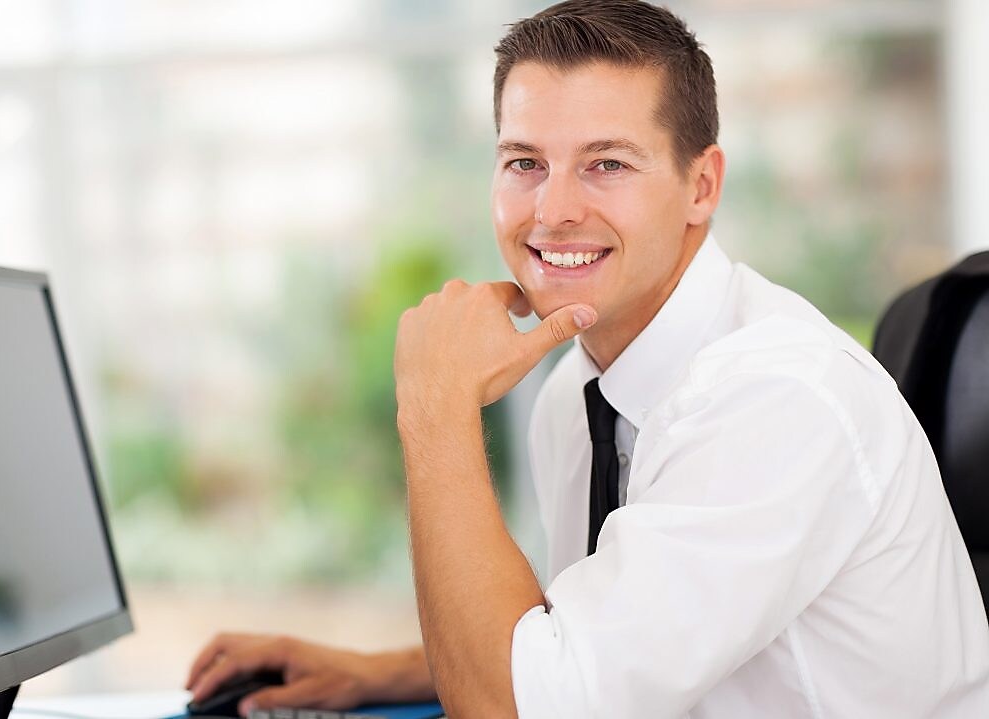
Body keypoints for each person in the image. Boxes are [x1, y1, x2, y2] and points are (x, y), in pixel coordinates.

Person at [184, 1, 989, 716]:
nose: (554, 209)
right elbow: (580, 648)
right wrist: (377, 672)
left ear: (701, 185)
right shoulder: (578, 395)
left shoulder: (776, 398)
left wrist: (435, 406)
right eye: (524, 162)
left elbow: (519, 710)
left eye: (607, 163)